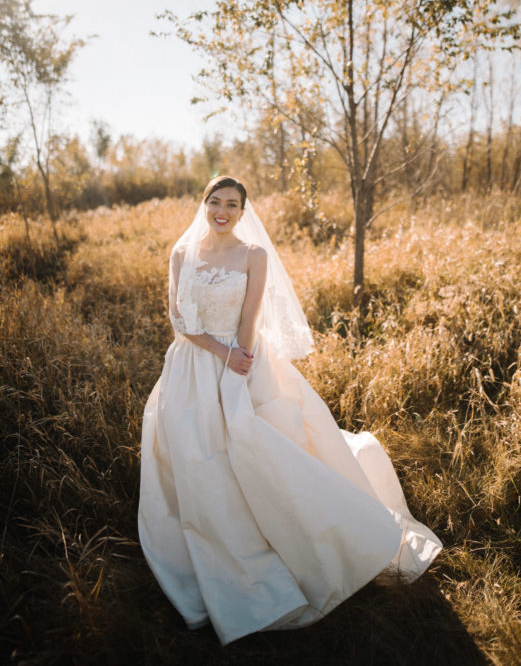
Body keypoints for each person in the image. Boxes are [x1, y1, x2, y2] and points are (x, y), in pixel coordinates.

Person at [138, 176, 442, 645]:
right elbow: (179, 321)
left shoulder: (253, 256)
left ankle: (306, 545)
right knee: (199, 462)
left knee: (257, 449)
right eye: (215, 202)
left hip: (243, 364)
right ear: (204, 205)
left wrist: (235, 365)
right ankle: (213, 557)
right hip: (191, 368)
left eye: (232, 204)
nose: (222, 210)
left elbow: (249, 318)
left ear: (243, 211)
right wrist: (218, 355)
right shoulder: (181, 255)